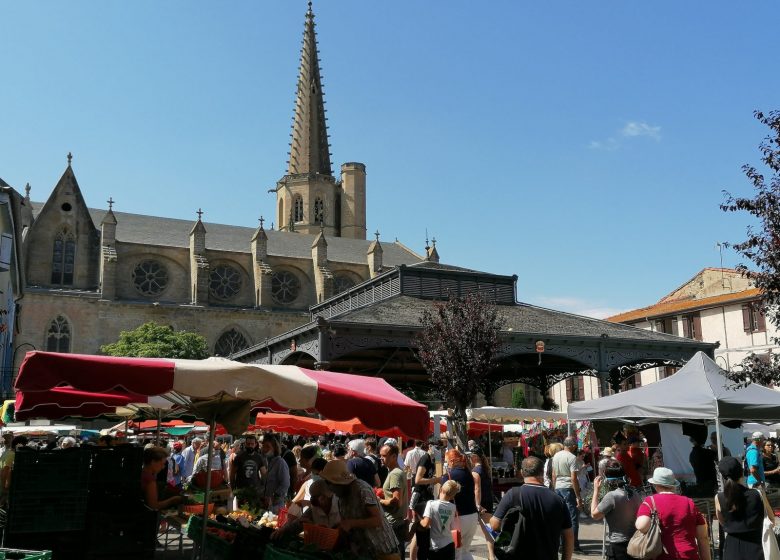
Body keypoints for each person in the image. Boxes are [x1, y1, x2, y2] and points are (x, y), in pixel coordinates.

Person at [490, 456, 573, 560]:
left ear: (521, 472)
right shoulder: (557, 499)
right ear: (542, 472)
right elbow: (568, 535)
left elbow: (494, 524)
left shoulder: (513, 495)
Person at [320, 459, 400, 559]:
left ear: (338, 483)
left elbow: (377, 520)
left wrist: (351, 523)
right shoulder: (341, 496)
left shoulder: (362, 489)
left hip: (383, 550)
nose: (329, 488)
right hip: (365, 552)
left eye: (330, 484)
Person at [634, 467, 711, 560]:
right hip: (689, 555)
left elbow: (641, 526)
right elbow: (703, 537)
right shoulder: (689, 502)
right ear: (673, 485)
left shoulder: (650, 501)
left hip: (663, 556)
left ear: (655, 485)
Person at [715, 456, 766, 560]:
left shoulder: (719, 497)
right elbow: (771, 519)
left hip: (731, 549)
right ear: (742, 472)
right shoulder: (757, 494)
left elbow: (722, 521)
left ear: (723, 476)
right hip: (755, 547)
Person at [590, 460, 642, 560]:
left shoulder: (612, 496)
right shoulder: (634, 493)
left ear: (607, 479)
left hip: (619, 545)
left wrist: (596, 490)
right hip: (635, 542)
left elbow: (594, 515)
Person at [440, 449, 479, 560]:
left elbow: (443, 497)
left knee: (456, 553)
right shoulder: (468, 473)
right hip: (472, 515)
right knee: (465, 551)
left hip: (458, 518)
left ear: (451, 461)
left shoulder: (448, 476)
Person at [551, 436, 584, 554]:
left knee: (560, 517)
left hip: (558, 487)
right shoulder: (572, 457)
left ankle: (561, 544)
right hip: (568, 488)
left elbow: (554, 475)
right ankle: (573, 545)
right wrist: (578, 496)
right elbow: (574, 478)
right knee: (573, 517)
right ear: (572, 446)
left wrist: (554, 489)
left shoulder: (556, 455)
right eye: (575, 445)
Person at [410, 441, 442, 560]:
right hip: (420, 497)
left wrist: (433, 479)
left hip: (426, 496)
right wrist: (435, 480)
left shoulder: (431, 459)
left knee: (422, 530)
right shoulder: (425, 458)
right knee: (422, 528)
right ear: (429, 446)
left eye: (440, 447)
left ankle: (416, 557)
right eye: (436, 447)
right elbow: (417, 480)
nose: (438, 449)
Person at [379, 443, 409, 559]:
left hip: (393, 524)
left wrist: (379, 500)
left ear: (394, 457)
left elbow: (396, 501)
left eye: (384, 455)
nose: (381, 458)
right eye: (380, 455)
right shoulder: (394, 472)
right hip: (396, 523)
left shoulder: (395, 474)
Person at [419, 480, 461, 560]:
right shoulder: (453, 507)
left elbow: (425, 524)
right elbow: (452, 526)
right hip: (449, 544)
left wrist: (418, 519)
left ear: (440, 489)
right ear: (452, 496)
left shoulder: (431, 504)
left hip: (436, 546)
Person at [470, 447, 495, 560]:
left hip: (482, 503)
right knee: (489, 531)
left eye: (470, 456)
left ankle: (492, 555)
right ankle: (491, 555)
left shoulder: (476, 471)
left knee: (489, 531)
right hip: (488, 500)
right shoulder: (485, 468)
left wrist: (477, 505)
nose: (469, 458)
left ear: (475, 457)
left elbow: (477, 489)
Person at [141, 446, 183, 510]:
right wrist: (173, 500)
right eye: (162, 464)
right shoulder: (150, 480)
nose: (163, 467)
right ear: (153, 462)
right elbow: (153, 506)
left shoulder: (142, 473)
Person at [261, 434, 290, 513]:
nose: (264, 449)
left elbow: (285, 484)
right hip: (267, 507)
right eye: (263, 446)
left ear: (274, 448)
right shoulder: (268, 463)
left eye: (267, 446)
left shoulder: (280, 463)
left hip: (276, 507)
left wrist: (273, 497)